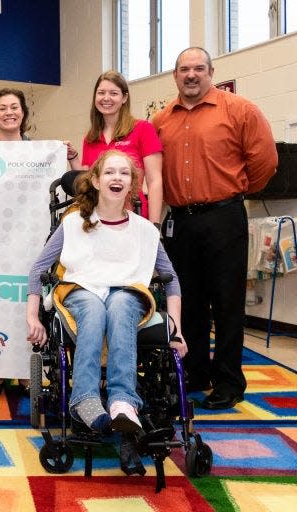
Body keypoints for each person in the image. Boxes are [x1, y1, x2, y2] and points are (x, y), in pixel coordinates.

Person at [26, 150, 187, 434]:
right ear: (98, 181)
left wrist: (177, 330)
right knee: (94, 306)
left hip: (127, 292)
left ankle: (123, 402)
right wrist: (33, 318)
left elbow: (171, 278)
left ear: (131, 184)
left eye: (124, 173)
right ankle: (85, 398)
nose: (117, 177)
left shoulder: (145, 230)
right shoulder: (74, 223)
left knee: (121, 303)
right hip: (81, 289)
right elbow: (38, 267)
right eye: (110, 172)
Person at [151, 47, 277, 410]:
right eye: (184, 69)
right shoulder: (162, 120)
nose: (191, 75)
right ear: (174, 75)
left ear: (210, 72)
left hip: (225, 217)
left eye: (199, 68)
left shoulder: (239, 110)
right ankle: (194, 371)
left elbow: (264, 162)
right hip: (181, 222)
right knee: (186, 301)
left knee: (227, 303)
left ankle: (228, 382)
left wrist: (231, 193)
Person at [0, 88, 31, 396]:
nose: (9, 112)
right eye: (2, 108)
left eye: (15, 106)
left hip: (28, 239)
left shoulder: (39, 151)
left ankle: (26, 373)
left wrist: (69, 157)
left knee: (25, 304)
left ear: (23, 112)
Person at [66, 70, 163, 224]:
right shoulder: (90, 138)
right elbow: (87, 182)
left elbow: (155, 181)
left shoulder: (143, 129)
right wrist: (73, 157)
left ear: (124, 97)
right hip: (98, 218)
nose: (106, 98)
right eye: (101, 93)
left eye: (113, 93)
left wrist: (155, 226)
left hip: (133, 216)